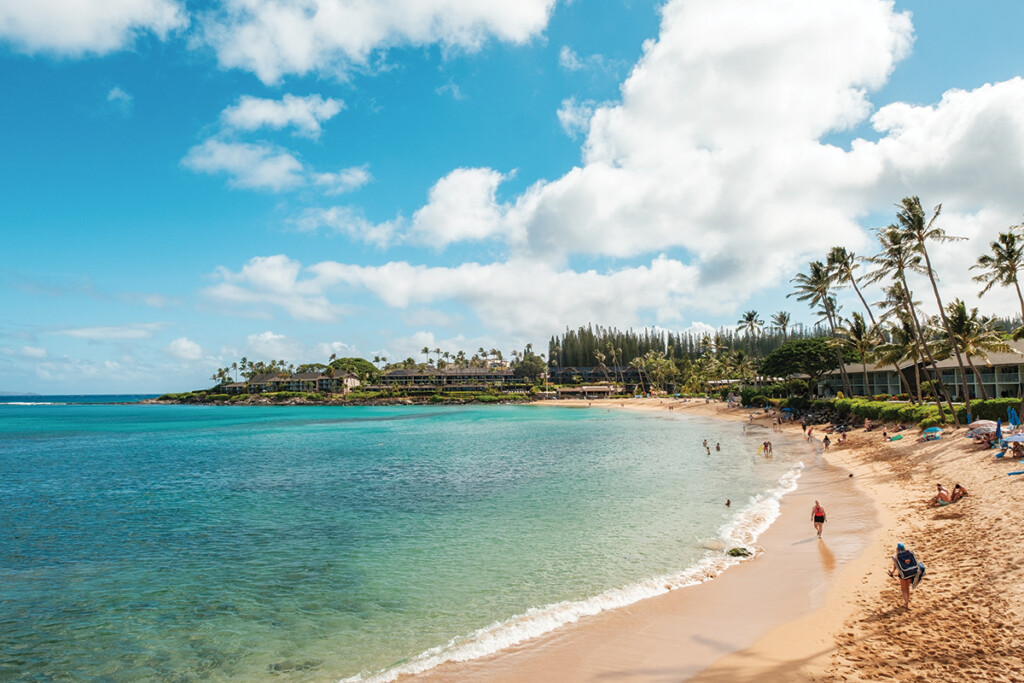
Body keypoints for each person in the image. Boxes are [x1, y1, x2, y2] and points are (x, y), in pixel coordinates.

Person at [890, 543, 925, 608]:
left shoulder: (897, 556)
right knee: (907, 588)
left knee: (903, 589)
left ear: (897, 549)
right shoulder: (909, 553)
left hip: (903, 574)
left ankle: (906, 602)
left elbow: (895, 566)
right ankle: (908, 600)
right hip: (911, 572)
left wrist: (892, 572)